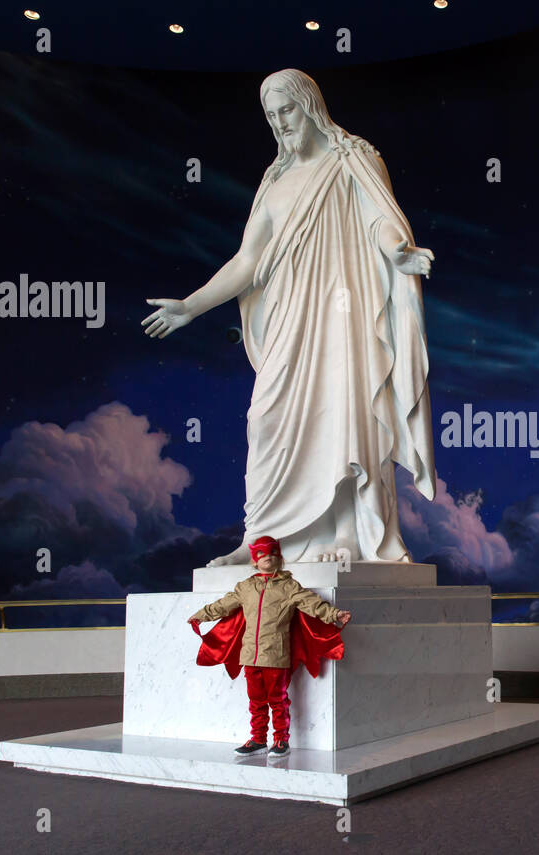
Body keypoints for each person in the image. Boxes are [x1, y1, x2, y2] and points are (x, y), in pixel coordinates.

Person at [143, 68, 437, 566]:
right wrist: (191, 305)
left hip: (344, 313)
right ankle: (259, 541)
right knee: (266, 419)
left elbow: (381, 221)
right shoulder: (275, 181)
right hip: (289, 318)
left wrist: (400, 253)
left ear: (311, 107)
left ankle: (348, 535)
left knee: (343, 412)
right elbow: (247, 261)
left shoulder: (354, 160)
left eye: (288, 112)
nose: (281, 124)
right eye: (271, 116)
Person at [187, 535, 351, 755]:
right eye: (262, 553)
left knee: (277, 700)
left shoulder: (289, 587)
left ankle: (281, 740)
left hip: (275, 653)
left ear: (280, 559)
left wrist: (335, 614)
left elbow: (312, 603)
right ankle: (258, 740)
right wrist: (201, 616)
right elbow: (224, 605)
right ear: (254, 560)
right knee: (256, 701)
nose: (268, 557)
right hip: (250, 655)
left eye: (273, 553)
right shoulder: (246, 587)